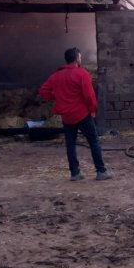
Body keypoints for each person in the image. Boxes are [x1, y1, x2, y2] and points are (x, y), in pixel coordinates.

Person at [39, 47, 112, 181]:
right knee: (94, 141)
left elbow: (43, 91)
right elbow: (89, 96)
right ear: (77, 58)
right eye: (80, 57)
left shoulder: (55, 76)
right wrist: (93, 110)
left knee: (70, 144)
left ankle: (75, 173)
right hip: (82, 114)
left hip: (67, 117)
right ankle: (101, 171)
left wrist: (55, 95)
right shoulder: (82, 73)